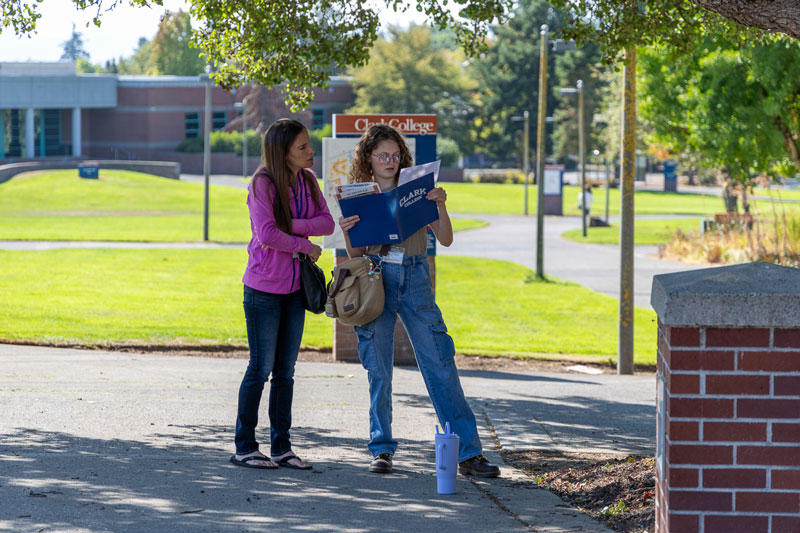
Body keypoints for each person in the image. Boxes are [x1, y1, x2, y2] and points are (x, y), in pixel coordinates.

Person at [338, 124, 500, 478]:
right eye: (382, 155)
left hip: (415, 278)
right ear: (368, 158)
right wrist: (349, 231)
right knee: (378, 369)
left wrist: (441, 206)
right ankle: (381, 449)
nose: (390, 161)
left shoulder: (416, 190)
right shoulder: (360, 195)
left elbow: (445, 240)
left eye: (395, 155)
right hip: (376, 278)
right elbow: (357, 253)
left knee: (440, 363)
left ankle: (468, 453)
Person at [231, 118, 335, 470]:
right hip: (263, 289)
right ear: (283, 151)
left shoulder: (307, 180)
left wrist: (291, 227)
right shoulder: (262, 184)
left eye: (309, 144)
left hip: (296, 291)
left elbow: (327, 222)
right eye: (303, 147)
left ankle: (281, 448)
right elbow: (265, 234)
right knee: (260, 369)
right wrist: (304, 244)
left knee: (285, 372)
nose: (311, 151)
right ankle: (245, 446)